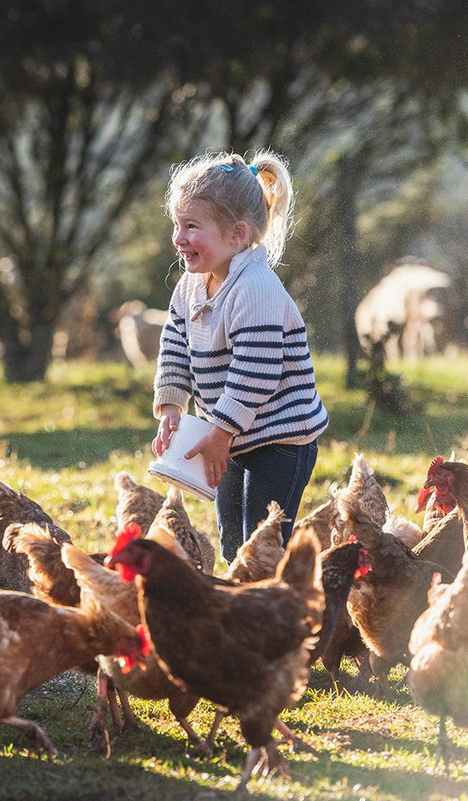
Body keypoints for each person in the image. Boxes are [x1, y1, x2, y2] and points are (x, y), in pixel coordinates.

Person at [151, 150, 329, 564]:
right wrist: (173, 406)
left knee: (262, 546)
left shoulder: (256, 289)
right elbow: (175, 342)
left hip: (281, 440)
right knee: (234, 543)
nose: (178, 238)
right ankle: (244, 613)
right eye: (177, 225)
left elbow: (257, 372)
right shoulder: (191, 285)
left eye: (192, 226)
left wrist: (220, 432)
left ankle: (279, 617)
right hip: (231, 436)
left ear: (237, 234)